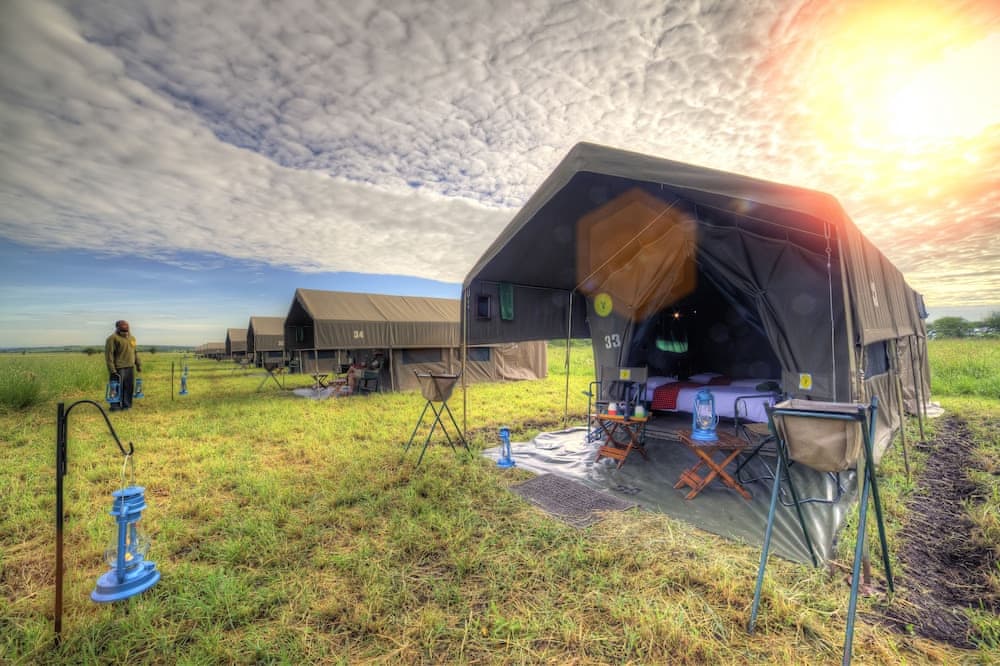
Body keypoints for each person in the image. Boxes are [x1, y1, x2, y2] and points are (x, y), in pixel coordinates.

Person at [105, 320, 141, 411]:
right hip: (118, 368)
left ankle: (127, 406)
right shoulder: (112, 338)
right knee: (115, 387)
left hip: (130, 367)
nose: (125, 332)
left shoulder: (132, 338)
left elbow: (135, 352)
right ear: (117, 328)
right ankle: (115, 406)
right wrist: (112, 370)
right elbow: (109, 355)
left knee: (129, 388)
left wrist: (138, 364)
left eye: (126, 329)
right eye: (123, 330)